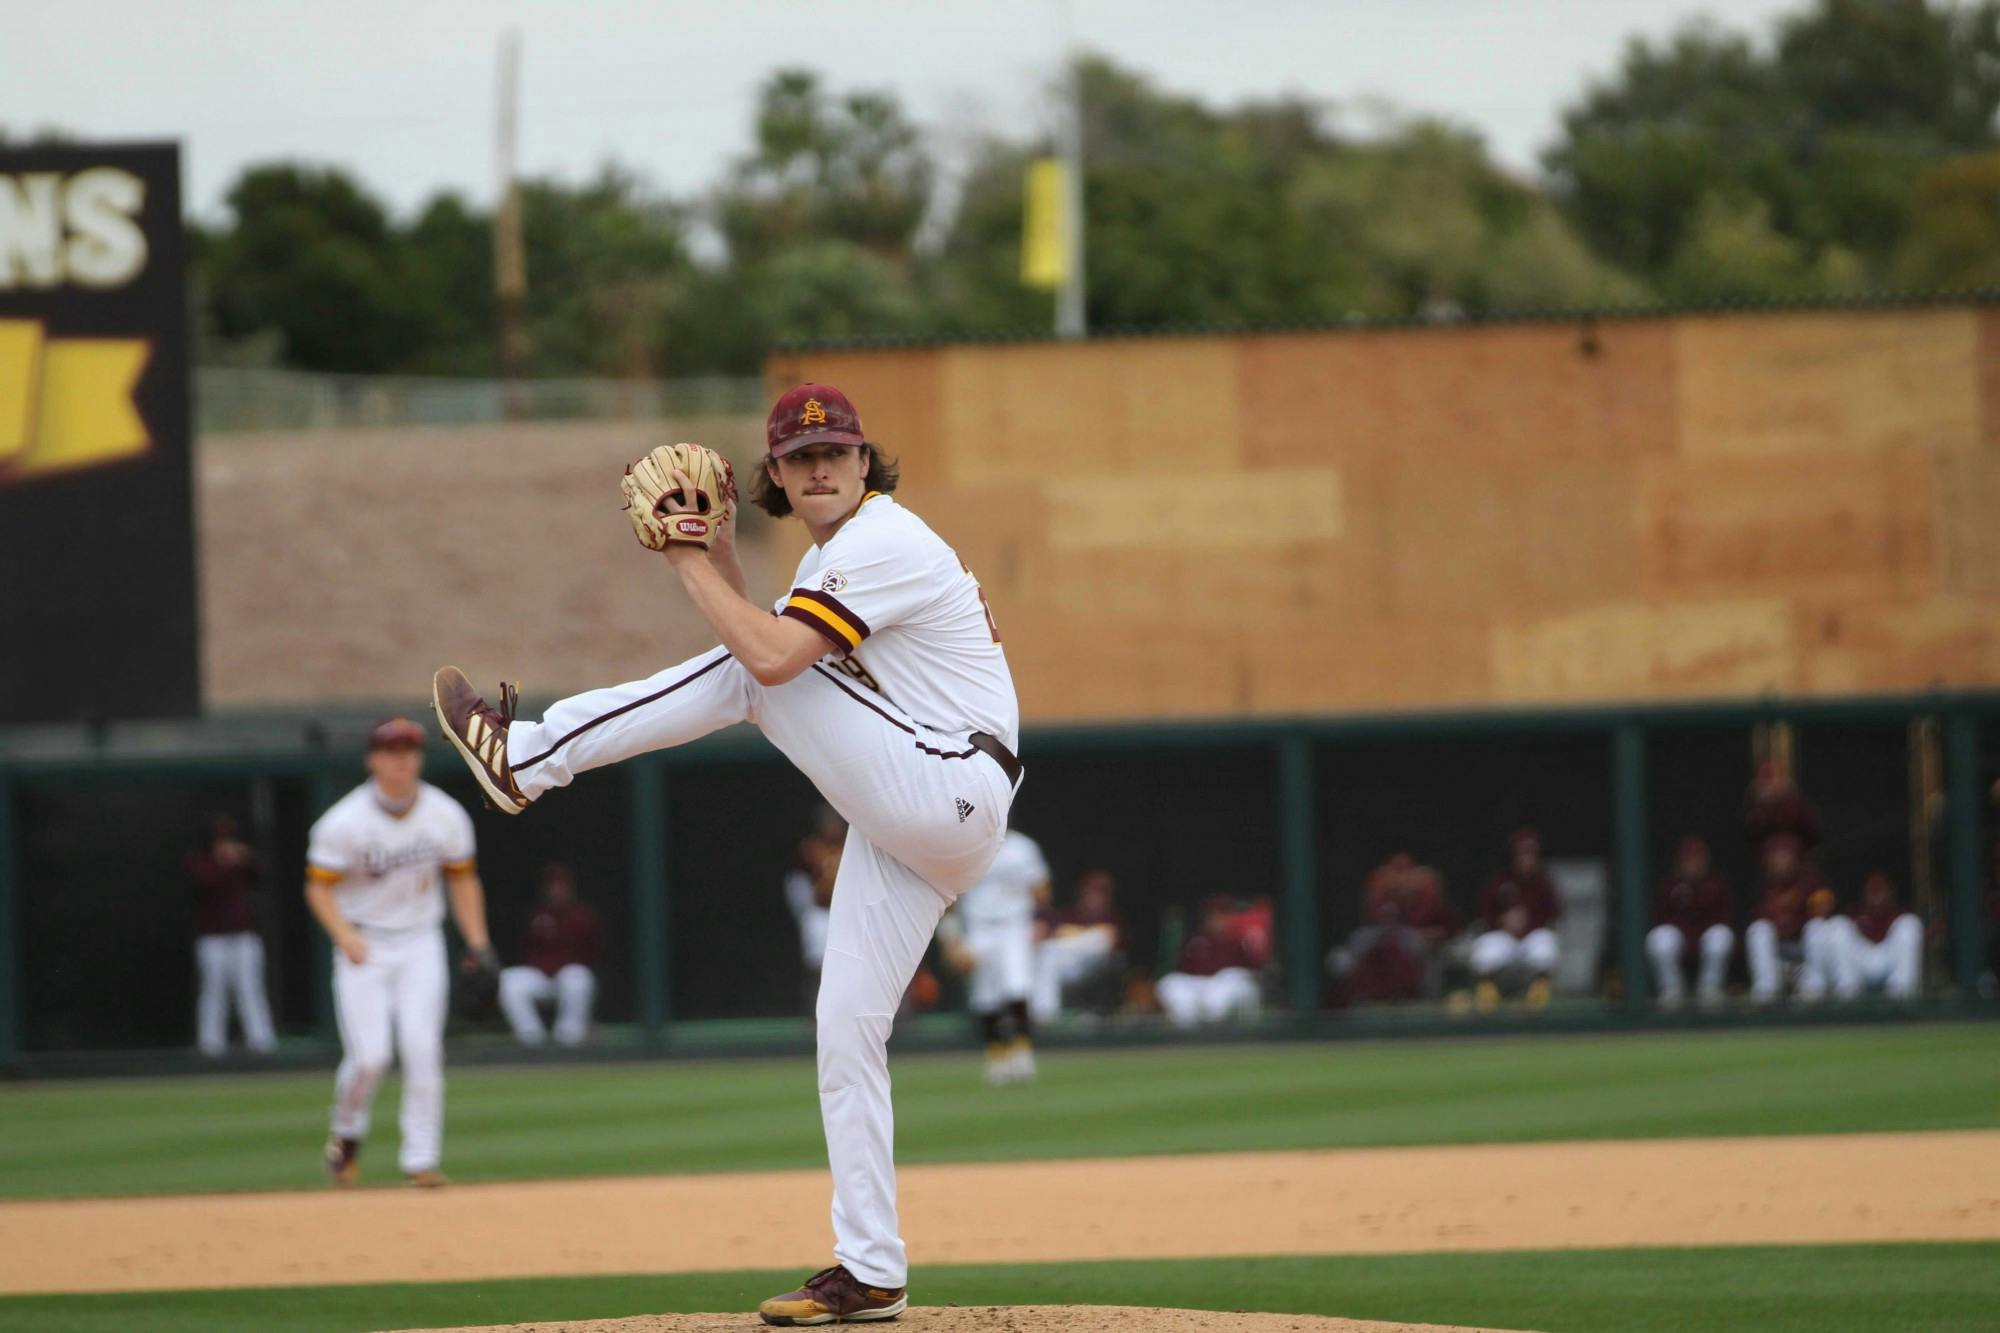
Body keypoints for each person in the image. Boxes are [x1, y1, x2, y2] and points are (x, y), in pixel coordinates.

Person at [431, 383, 1020, 1326]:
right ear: (778, 477)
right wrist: (714, 556)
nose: (821, 466)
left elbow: (771, 666)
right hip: (925, 813)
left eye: (837, 452)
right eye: (800, 457)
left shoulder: (883, 538)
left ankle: (533, 753)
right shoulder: (839, 564)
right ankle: (872, 1269)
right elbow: (770, 641)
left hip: (948, 781)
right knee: (846, 1029)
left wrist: (681, 565)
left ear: (866, 465)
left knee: (756, 680)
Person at [304, 717, 493, 1189]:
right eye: (391, 750)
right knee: (369, 1058)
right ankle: (346, 1134)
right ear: (372, 759)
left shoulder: (444, 814)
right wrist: (342, 934)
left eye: (409, 749)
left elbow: (463, 879)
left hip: (419, 941)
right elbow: (318, 889)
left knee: (422, 1049)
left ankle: (421, 1160)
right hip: (363, 943)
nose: (401, 758)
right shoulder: (343, 823)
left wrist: (477, 941)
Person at [939, 828, 1051, 1084]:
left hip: (1015, 924)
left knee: (1017, 985)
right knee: (984, 995)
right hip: (980, 928)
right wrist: (951, 940)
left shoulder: (1022, 848)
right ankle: (996, 1055)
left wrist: (1041, 923)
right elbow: (950, 898)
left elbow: (1041, 890)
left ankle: (1023, 1052)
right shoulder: (964, 845)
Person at [185, 813, 277, 1057]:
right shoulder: (201, 863)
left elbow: (261, 875)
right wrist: (224, 862)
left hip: (244, 936)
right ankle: (210, 1046)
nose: (226, 845)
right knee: (214, 991)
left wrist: (244, 859)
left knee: (250, 989)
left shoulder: (242, 863)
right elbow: (205, 884)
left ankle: (261, 1043)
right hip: (212, 938)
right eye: (220, 840)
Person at [1332, 853, 1461, 1004]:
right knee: (1349, 951)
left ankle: (1427, 998)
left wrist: (1432, 934)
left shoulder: (1426, 883)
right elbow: (1373, 915)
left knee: (1419, 946)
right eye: (1397, 868)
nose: (1401, 874)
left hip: (1417, 938)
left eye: (1406, 868)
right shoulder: (1381, 880)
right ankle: (1355, 999)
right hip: (1383, 934)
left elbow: (1447, 926)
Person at [498, 864, 602, 1046]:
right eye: (553, 886)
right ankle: (531, 1038)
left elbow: (593, 953)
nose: (557, 891)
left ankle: (569, 1038)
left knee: (578, 977)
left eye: (561, 886)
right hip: (541, 978)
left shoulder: (584, 916)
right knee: (508, 980)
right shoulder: (537, 916)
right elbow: (526, 951)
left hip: (568, 977)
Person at [1470, 829, 1562, 1011]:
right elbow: (1483, 913)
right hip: (1505, 937)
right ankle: (1488, 994)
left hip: (1530, 937)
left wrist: (1529, 922)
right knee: (1484, 951)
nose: (1526, 859)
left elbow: (1554, 913)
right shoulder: (1500, 881)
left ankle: (1538, 993)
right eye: (1522, 854)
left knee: (1546, 944)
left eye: (1530, 854)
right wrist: (1502, 921)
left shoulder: (1543, 883)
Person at [1744, 833, 1838, 1003]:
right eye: (1776, 856)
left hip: (1805, 956)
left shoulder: (1810, 879)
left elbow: (1825, 911)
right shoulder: (1762, 884)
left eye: (1785, 855)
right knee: (1758, 930)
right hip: (1777, 958)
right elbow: (1758, 917)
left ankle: (1814, 988)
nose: (1781, 861)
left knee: (1817, 927)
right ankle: (1766, 991)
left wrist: (1795, 919)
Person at [1645, 835, 1734, 1009]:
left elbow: (1724, 920)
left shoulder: (1715, 885)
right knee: (1660, 937)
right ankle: (1671, 990)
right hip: (1679, 940)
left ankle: (1710, 989)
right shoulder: (1669, 885)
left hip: (1706, 940)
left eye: (1697, 859)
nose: (1693, 864)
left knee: (1721, 936)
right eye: (1689, 860)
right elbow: (1660, 920)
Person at [1030, 870, 1126, 1022]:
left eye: (1097, 895)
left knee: (1100, 937)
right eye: (1088, 894)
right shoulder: (1070, 914)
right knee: (1045, 956)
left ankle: (1044, 1017)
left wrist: (1073, 935)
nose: (1091, 899)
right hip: (1064, 967)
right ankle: (1044, 1019)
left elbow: (1113, 942)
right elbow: (1050, 932)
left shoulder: (1113, 917)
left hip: (1095, 966)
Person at [1155, 897, 1262, 1027]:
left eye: (1221, 916)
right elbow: (1181, 973)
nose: (1217, 921)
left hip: (1225, 986)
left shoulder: (1239, 942)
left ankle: (1213, 1024)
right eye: (1213, 916)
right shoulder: (1195, 940)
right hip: (1198, 986)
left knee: (1231, 977)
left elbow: (1251, 972)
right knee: (1169, 982)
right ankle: (1189, 1027)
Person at [784, 805, 845, 1017]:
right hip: (820, 913)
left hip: (848, 914)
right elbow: (796, 883)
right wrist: (805, 913)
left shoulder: (853, 847)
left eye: (836, 822)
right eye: (828, 822)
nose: (832, 827)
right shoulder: (810, 848)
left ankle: (845, 1014)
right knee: (817, 965)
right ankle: (814, 1014)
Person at [1829, 873, 1924, 1000]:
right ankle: (1847, 992)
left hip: (1888, 959)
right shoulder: (1855, 911)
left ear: (1891, 893)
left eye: (1880, 890)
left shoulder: (1898, 913)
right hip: (1860, 961)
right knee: (1838, 924)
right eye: (1873, 891)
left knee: (1910, 923)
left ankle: (1901, 994)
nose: (1877, 896)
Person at [1745, 758, 1821, 858]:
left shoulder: (1794, 801)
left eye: (1771, 775)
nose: (1768, 781)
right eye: (1764, 776)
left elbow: (1812, 829)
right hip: (1765, 854)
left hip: (1793, 852)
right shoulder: (1754, 803)